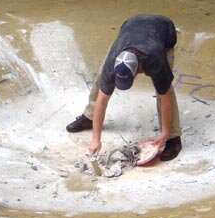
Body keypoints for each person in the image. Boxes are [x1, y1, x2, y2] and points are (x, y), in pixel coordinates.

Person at [66, 14, 182, 161]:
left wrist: (164, 132)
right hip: (130, 30)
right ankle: (90, 117)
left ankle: (173, 137)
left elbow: (166, 99)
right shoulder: (113, 60)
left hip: (162, 34)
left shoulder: (154, 60)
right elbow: (102, 101)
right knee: (102, 78)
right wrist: (96, 139)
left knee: (164, 89)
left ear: (138, 69)